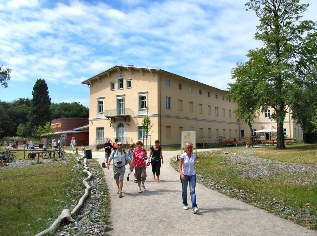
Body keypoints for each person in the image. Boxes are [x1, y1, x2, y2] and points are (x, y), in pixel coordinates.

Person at [178, 142, 199, 214]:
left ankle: (194, 206)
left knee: (192, 190)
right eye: (188, 148)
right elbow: (180, 166)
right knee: (184, 190)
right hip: (184, 175)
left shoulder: (194, 156)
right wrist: (181, 174)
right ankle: (185, 203)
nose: (189, 149)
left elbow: (192, 165)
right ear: (185, 149)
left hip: (192, 174)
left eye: (190, 147)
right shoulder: (183, 156)